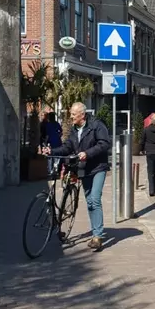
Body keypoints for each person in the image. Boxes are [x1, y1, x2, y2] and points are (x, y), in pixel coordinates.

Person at [42, 102, 110, 251]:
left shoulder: (96, 125)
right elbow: (67, 147)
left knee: (95, 199)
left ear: (82, 115)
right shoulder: (74, 130)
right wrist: (51, 150)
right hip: (83, 169)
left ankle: (98, 236)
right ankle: (95, 232)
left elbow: (104, 143)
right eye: (71, 113)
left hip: (98, 167)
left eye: (73, 114)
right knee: (90, 202)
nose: (71, 116)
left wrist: (88, 153)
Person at [141, 115, 155, 197]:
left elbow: (142, 140)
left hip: (149, 151)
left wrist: (142, 149)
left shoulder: (146, 129)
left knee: (150, 171)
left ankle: (151, 189)